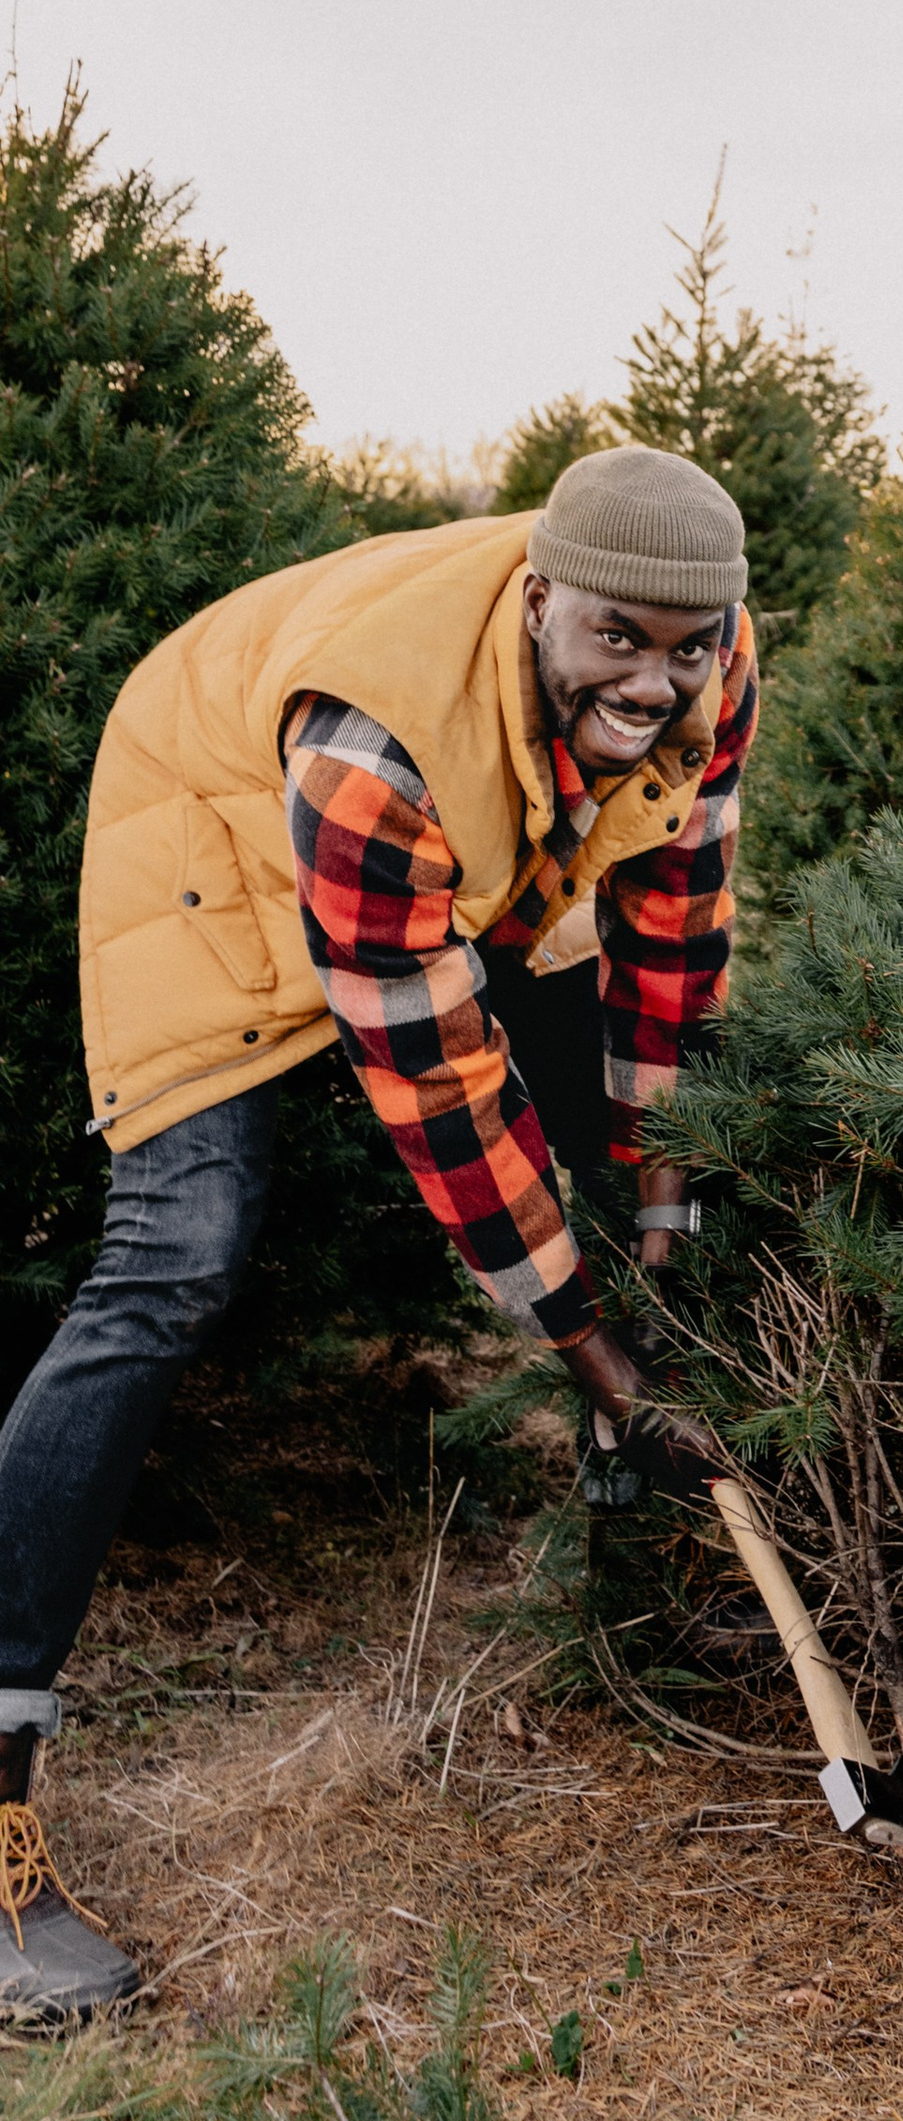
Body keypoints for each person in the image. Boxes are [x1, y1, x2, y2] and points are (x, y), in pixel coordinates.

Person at [0, 449, 751, 2020]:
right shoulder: (373, 753)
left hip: (471, 838)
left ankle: (637, 1626)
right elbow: (439, 1097)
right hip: (207, 826)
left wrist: (662, 1246)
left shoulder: (711, 658)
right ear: (540, 598)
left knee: (614, 1183)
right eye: (619, 640)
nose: (658, 683)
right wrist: (598, 1357)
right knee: (178, 1251)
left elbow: (673, 948)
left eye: (687, 652)